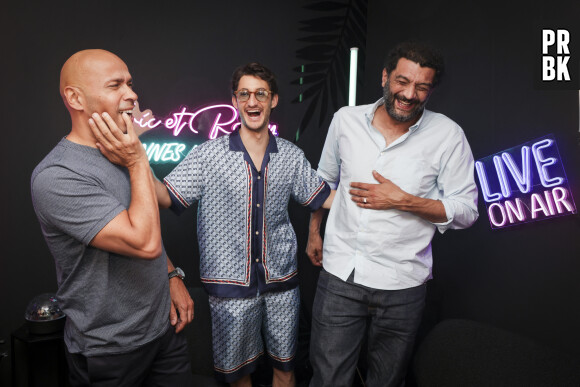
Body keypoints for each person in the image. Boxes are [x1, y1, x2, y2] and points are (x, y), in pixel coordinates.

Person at [307, 41, 479, 387]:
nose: (409, 94)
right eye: (402, 81)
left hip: (403, 284)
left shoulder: (448, 136)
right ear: (385, 77)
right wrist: (314, 232)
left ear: (431, 90)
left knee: (387, 381)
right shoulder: (346, 120)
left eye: (421, 86)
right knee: (327, 380)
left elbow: (467, 211)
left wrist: (404, 200)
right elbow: (323, 183)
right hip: (342, 274)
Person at [157, 63, 334, 387]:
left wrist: (379, 198)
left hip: (281, 282)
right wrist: (132, 159)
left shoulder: (291, 156)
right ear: (235, 100)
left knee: (285, 368)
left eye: (260, 94)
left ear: (274, 100)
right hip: (228, 287)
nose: (253, 102)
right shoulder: (209, 155)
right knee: (239, 375)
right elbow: (167, 196)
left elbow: (323, 197)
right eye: (245, 94)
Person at [31, 49, 194, 386]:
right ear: (76, 97)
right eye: (115, 85)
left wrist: (171, 276)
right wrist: (137, 160)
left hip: (164, 331)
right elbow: (144, 242)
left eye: (131, 84)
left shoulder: (120, 151)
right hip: (110, 350)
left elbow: (153, 209)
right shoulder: (57, 175)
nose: (132, 95)